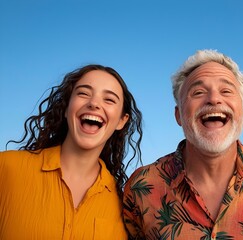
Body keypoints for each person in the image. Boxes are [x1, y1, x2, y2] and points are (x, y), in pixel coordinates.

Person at [123, 49, 243, 239]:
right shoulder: (141, 186)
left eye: (226, 91)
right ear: (178, 115)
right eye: (198, 92)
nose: (214, 99)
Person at [0, 64, 143, 239]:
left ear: (122, 121)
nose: (94, 103)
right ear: (67, 107)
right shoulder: (6, 167)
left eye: (109, 100)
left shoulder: (124, 205)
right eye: (83, 93)